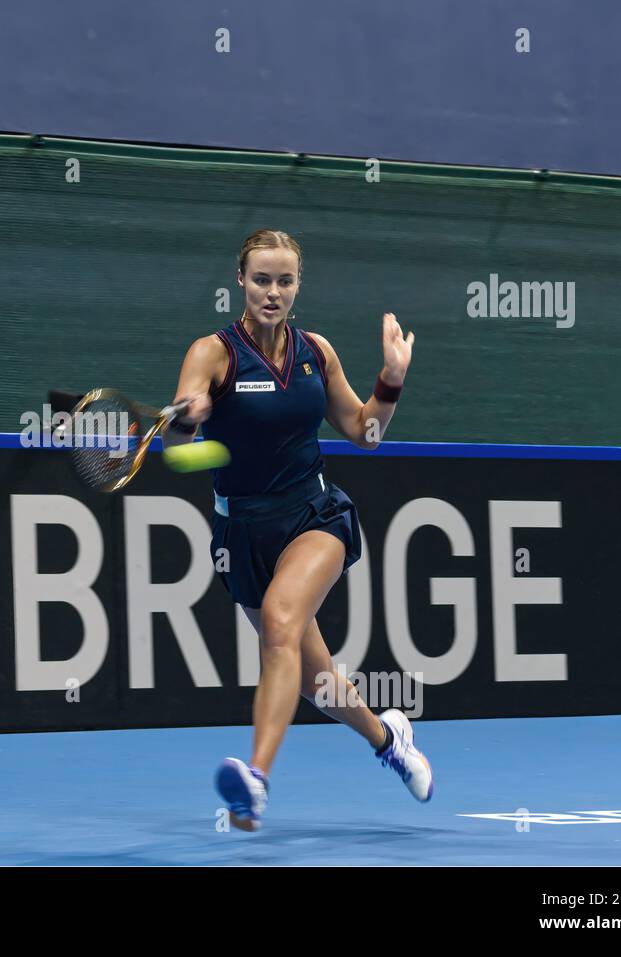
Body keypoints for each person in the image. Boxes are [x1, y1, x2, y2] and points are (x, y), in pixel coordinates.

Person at [166, 229, 433, 831]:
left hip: (315, 517)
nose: (273, 291)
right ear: (241, 280)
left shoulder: (317, 350)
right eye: (262, 279)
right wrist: (191, 417)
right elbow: (180, 437)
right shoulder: (212, 353)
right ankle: (389, 738)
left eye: (285, 280)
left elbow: (366, 433)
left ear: (297, 286)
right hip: (244, 537)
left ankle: (255, 781)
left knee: (281, 625)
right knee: (318, 682)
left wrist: (391, 378)